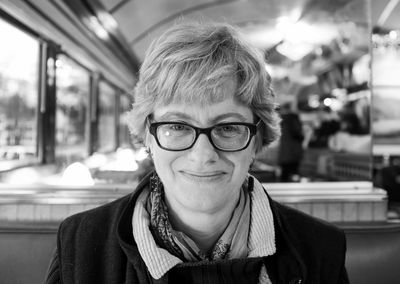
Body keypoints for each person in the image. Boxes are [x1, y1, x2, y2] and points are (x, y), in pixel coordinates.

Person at [45, 22, 349, 284]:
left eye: (228, 128)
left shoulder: (321, 250)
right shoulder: (80, 245)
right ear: (148, 137)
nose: (203, 154)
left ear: (257, 140)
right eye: (177, 126)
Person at [277, 103, 304, 182]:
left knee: (285, 174)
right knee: (294, 172)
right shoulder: (292, 118)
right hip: (293, 151)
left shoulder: (282, 119)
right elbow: (297, 133)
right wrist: (302, 136)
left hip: (285, 151)